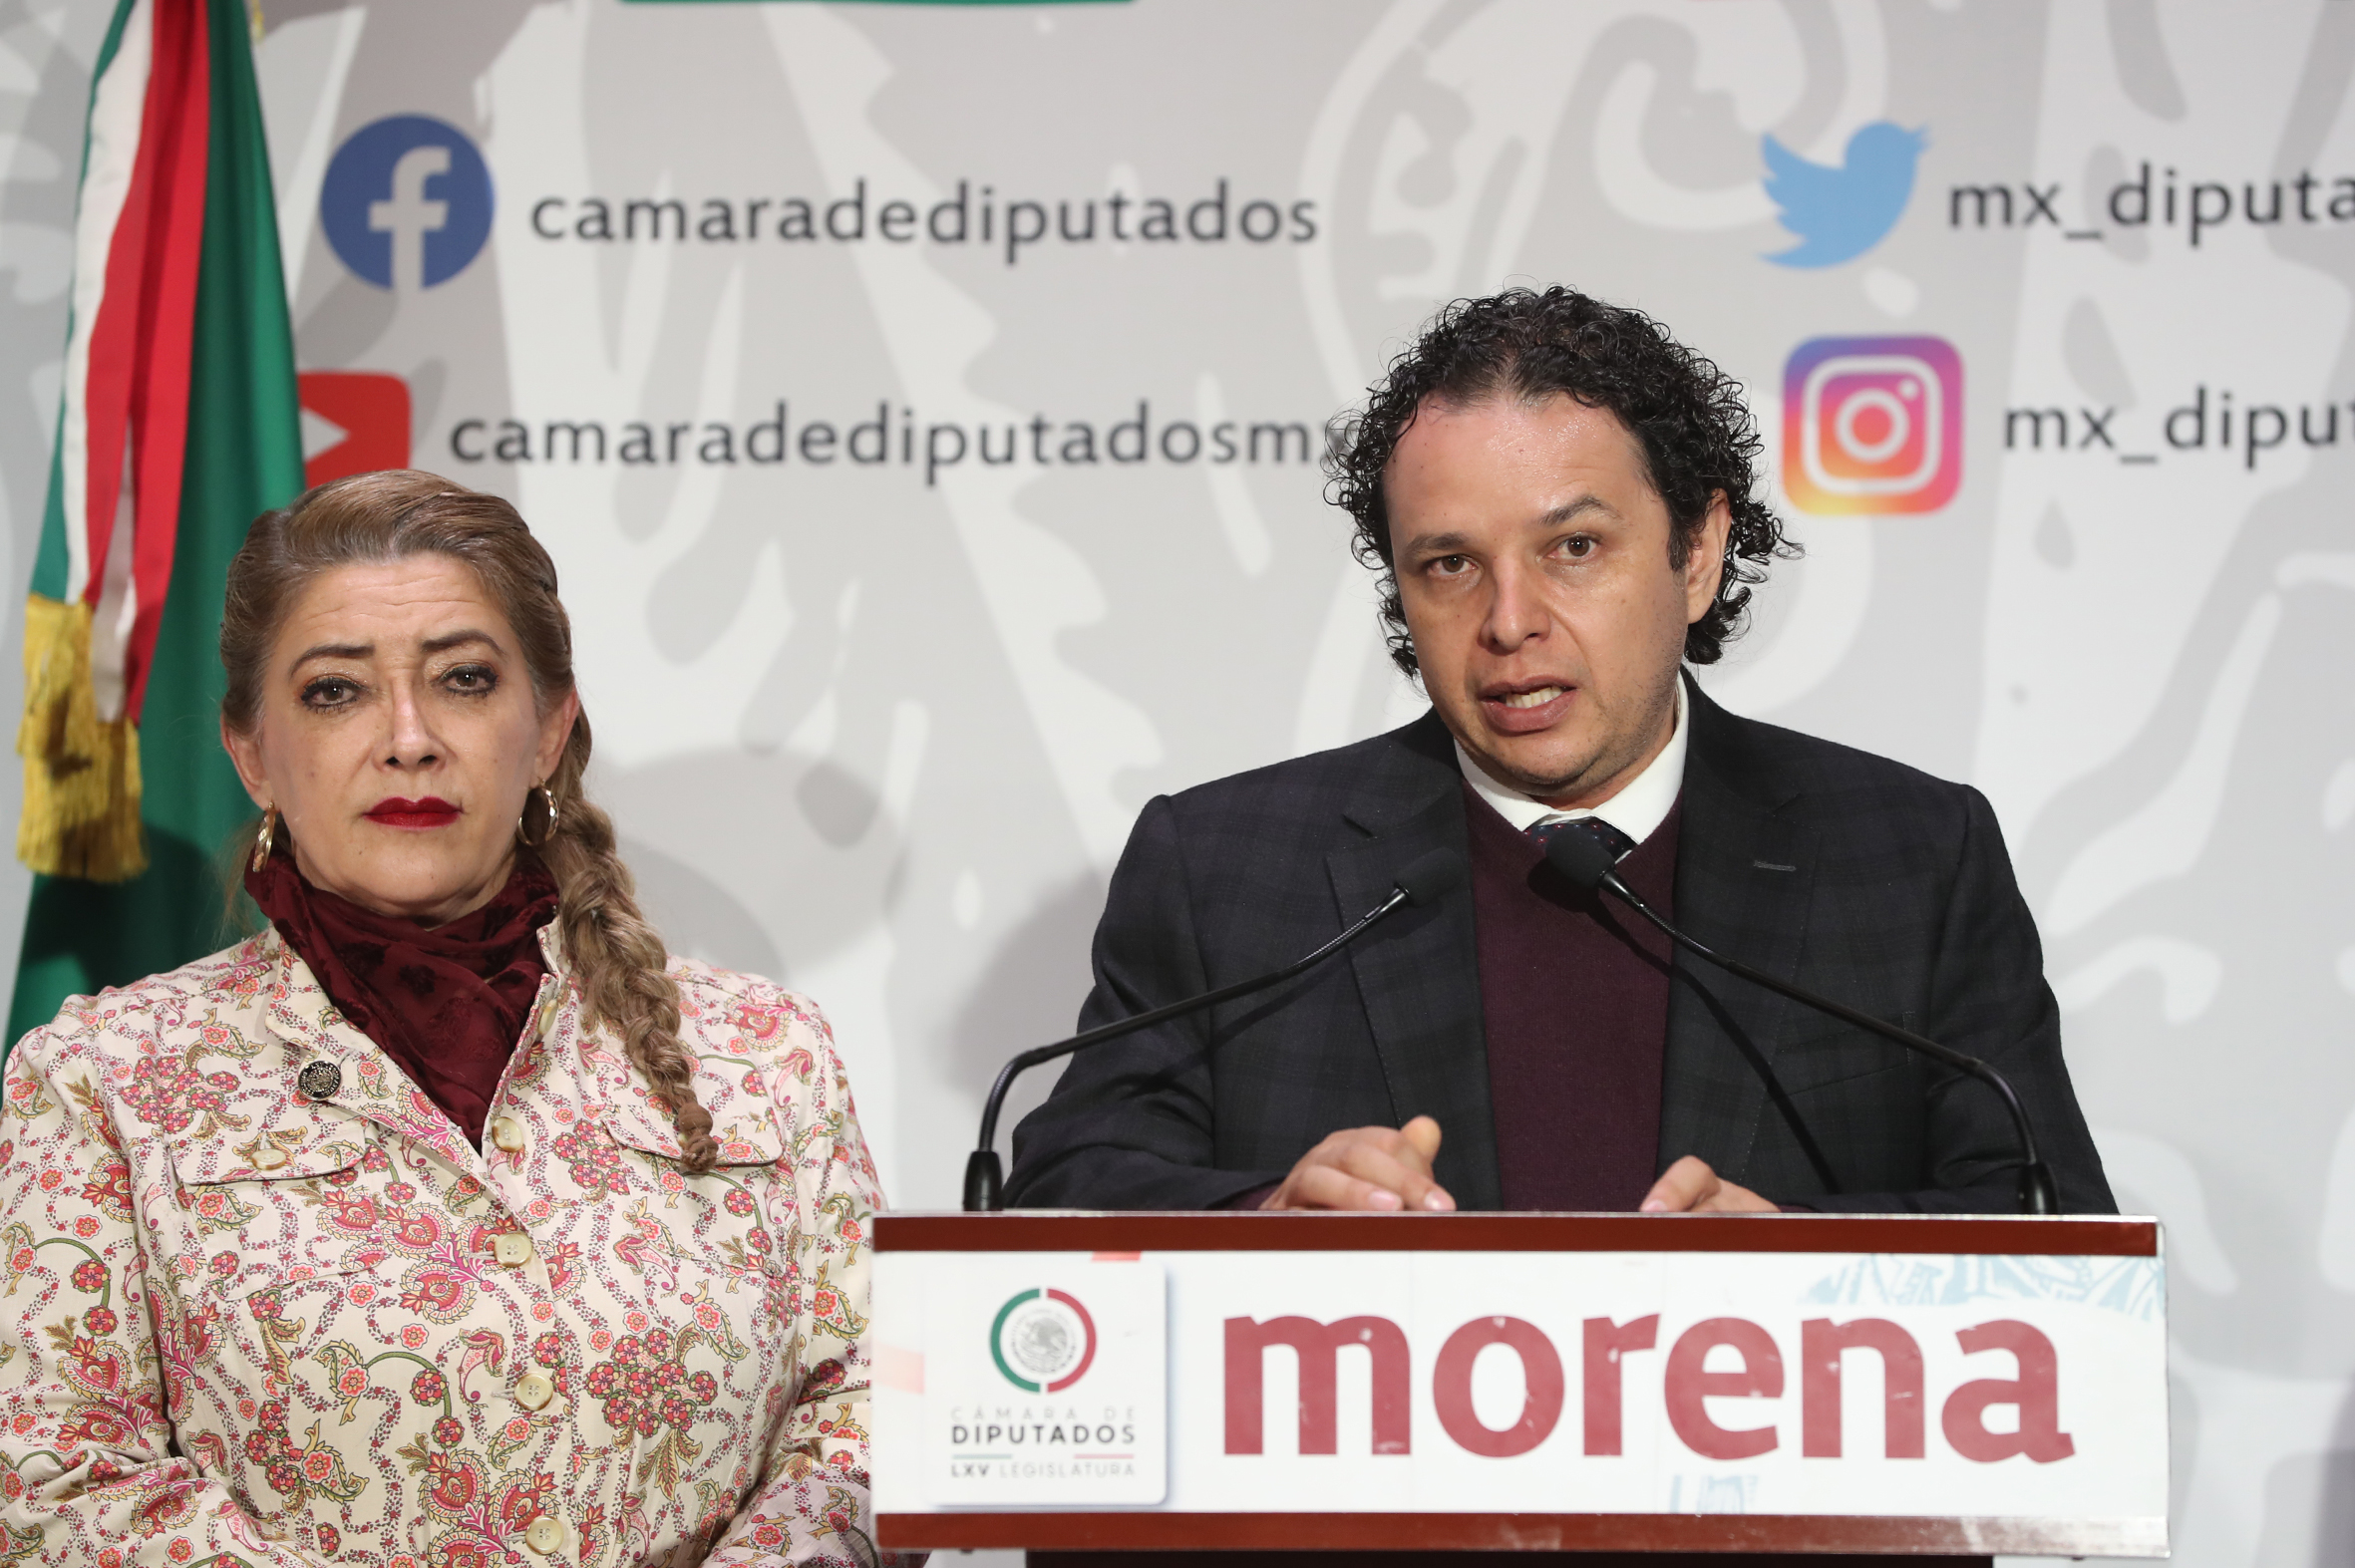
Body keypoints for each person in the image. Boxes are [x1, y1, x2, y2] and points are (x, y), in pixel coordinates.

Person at [1007, 286, 2112, 1217]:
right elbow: (1061, 1189)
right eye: (1449, 564)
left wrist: (1807, 1271)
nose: (1508, 621)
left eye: (1573, 547)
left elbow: (2049, 1218)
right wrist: (1265, 1222)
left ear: (1697, 552)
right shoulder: (1226, 871)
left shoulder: (1910, 856)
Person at [0, 472, 895, 1565]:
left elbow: (868, 1408)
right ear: (252, 752)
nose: (409, 738)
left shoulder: (763, 1053)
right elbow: (59, 1477)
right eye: (336, 691)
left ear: (550, 727)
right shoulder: (100, 1079)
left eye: (464, 679)